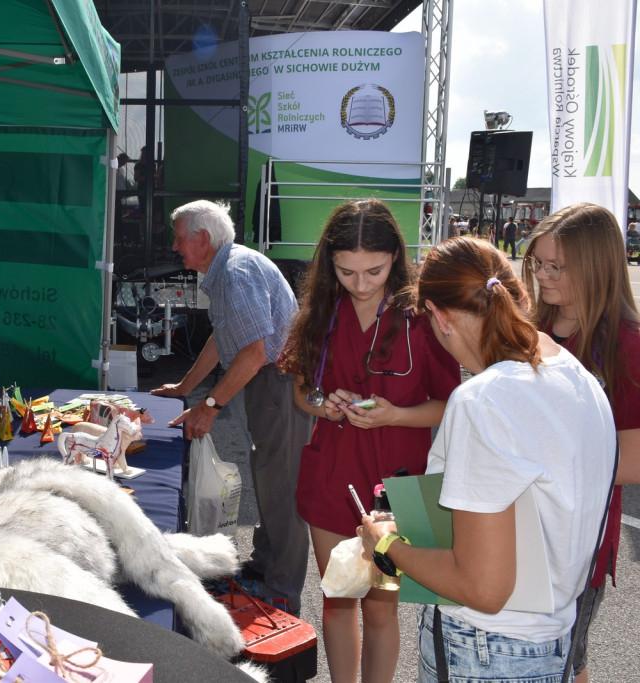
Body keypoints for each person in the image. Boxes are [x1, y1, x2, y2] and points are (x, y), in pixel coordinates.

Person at [359, 236, 616, 682]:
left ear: (439, 317)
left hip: (485, 649)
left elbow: (483, 588)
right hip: (552, 642)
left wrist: (386, 546)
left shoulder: (484, 400)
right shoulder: (577, 375)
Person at [279, 199, 460, 683]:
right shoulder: (321, 311)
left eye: (374, 271)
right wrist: (323, 404)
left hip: (393, 490)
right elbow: (302, 391)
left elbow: (453, 404)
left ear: (395, 259)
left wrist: (396, 415)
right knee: (338, 601)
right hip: (332, 477)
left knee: (380, 610)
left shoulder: (423, 318)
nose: (360, 284)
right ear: (329, 263)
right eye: (346, 272)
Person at [151, 199, 313, 614]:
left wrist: (208, 405)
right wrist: (186, 386)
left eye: (180, 238)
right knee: (269, 479)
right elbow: (223, 340)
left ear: (202, 239)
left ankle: (281, 591)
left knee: (282, 487)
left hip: (279, 383)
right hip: (272, 383)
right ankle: (262, 571)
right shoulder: (226, 268)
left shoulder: (236, 272)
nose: (175, 247)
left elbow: (254, 353)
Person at [522, 202, 640, 682]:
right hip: (518, 529)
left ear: (596, 267)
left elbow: (632, 461)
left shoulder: (626, 346)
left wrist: (541, 464)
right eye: (538, 263)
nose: (543, 276)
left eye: (557, 267)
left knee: (563, 661)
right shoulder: (529, 331)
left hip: (576, 542)